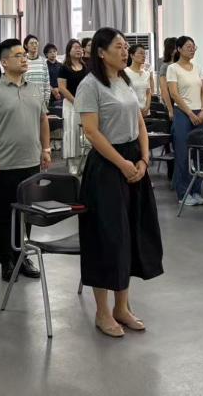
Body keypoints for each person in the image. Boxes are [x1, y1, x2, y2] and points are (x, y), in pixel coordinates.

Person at [75, 27, 163, 338]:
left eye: (126, 46)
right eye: (119, 47)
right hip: (107, 166)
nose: (125, 51)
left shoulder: (124, 80)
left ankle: (122, 307)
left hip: (133, 161)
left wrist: (144, 158)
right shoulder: (90, 85)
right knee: (107, 237)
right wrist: (122, 163)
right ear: (101, 52)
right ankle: (102, 312)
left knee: (130, 235)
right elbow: (92, 132)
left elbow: (139, 120)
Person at [0, 38, 51, 281]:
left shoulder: (34, 89)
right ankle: (6, 260)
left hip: (31, 161)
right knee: (5, 213)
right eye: (18, 55)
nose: (24, 58)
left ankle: (21, 255)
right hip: (5, 163)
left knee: (27, 212)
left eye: (24, 55)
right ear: (4, 61)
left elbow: (43, 119)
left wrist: (46, 149)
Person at [166, 36, 203, 206]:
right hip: (183, 113)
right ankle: (183, 193)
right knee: (183, 154)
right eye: (188, 46)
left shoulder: (197, 68)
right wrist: (190, 113)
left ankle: (196, 190)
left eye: (193, 46)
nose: (192, 49)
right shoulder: (173, 68)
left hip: (200, 113)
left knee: (200, 155)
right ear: (179, 49)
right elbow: (174, 94)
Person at [58, 39, 88, 175]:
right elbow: (62, 88)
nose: (78, 49)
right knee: (72, 132)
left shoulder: (86, 67)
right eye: (75, 47)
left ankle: (83, 161)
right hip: (71, 105)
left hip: (86, 104)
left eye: (80, 47)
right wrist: (75, 101)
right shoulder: (64, 68)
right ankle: (73, 163)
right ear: (69, 50)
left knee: (84, 133)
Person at [124, 44, 152, 116]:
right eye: (140, 53)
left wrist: (147, 107)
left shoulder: (146, 74)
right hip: (130, 112)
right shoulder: (125, 72)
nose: (144, 56)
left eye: (144, 54)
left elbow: (148, 92)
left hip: (144, 112)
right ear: (132, 55)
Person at [23, 35, 51, 105]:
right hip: (26, 99)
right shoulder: (23, 60)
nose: (34, 45)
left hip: (41, 99)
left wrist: (47, 98)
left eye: (36, 43)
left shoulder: (43, 61)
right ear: (26, 46)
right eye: (31, 43)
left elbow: (47, 81)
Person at [157, 37, 177, 121]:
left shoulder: (181, 65)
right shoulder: (165, 66)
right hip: (172, 101)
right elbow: (164, 89)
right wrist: (170, 110)